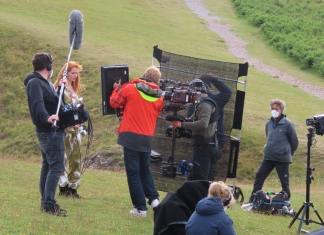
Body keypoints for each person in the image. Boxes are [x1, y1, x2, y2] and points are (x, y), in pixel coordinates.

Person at [109, 66, 164, 218]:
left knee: (133, 173)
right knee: (145, 170)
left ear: (144, 75)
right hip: (147, 137)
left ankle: (140, 209)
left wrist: (116, 89)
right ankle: (154, 202)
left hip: (131, 135)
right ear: (157, 80)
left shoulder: (131, 88)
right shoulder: (159, 96)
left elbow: (114, 102)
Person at [24, 52, 67, 217]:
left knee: (48, 165)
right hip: (49, 131)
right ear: (48, 66)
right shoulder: (35, 83)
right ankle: (48, 204)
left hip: (51, 130)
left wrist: (58, 89)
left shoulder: (45, 83)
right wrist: (48, 118)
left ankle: (46, 202)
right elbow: (38, 105)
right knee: (56, 166)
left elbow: (51, 102)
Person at [248, 98, 299, 203]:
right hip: (268, 157)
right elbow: (268, 138)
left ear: (281, 110)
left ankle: (284, 201)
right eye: (272, 108)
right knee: (259, 176)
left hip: (282, 159)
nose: (274, 110)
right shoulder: (268, 124)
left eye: (276, 108)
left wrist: (288, 152)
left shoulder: (288, 124)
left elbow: (294, 141)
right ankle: (254, 199)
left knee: (284, 182)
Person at [172, 78, 219, 180]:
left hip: (204, 147)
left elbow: (202, 124)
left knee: (200, 179)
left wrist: (182, 125)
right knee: (193, 177)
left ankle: (203, 196)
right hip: (203, 146)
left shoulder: (205, 105)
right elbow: (192, 119)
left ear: (197, 91)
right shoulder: (202, 104)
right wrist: (182, 120)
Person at [187, 74, 232, 181]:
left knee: (198, 175)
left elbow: (194, 124)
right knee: (209, 176)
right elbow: (227, 92)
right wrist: (213, 78)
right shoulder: (217, 100)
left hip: (202, 144)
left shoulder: (194, 104)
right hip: (216, 143)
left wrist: (182, 124)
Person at [53, 61, 85, 199]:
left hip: (77, 131)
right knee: (64, 158)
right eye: (73, 73)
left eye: (77, 74)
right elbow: (59, 109)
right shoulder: (60, 89)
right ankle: (63, 186)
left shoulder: (74, 89)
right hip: (65, 130)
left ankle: (73, 187)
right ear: (65, 73)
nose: (75, 76)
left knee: (76, 159)